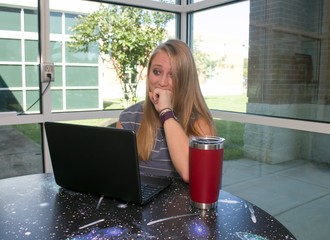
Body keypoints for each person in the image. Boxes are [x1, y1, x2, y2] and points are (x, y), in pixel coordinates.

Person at [116, 39, 216, 183]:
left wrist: (166, 112)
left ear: (185, 80)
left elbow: (190, 172)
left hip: (182, 204)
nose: (162, 82)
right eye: (157, 72)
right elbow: (119, 176)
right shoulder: (128, 118)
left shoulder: (200, 124)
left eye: (173, 75)